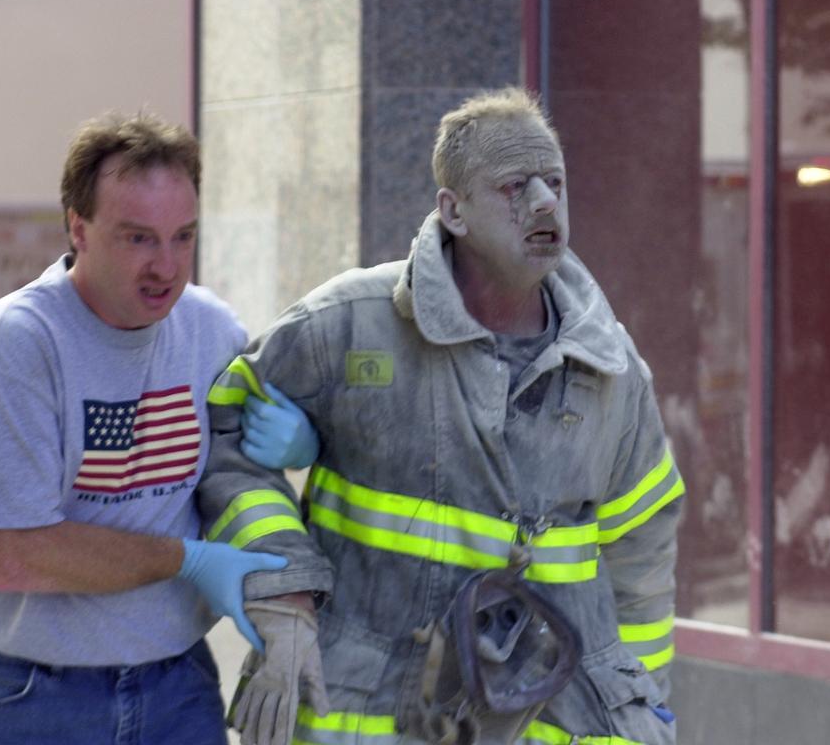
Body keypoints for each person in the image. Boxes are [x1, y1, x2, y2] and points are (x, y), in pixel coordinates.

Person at [199, 87, 685, 745]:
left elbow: (643, 542)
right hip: (367, 715)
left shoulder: (610, 369)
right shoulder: (350, 326)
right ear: (453, 211)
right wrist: (283, 589)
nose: (545, 203)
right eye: (514, 186)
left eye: (555, 182)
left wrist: (638, 695)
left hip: (547, 718)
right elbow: (225, 434)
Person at [0, 112, 319, 745]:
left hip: (178, 687)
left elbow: (237, 484)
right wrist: (187, 560)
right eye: (138, 238)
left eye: (183, 237)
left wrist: (309, 445)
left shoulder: (213, 332)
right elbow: (18, 556)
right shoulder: (18, 344)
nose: (166, 267)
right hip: (29, 697)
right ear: (77, 228)